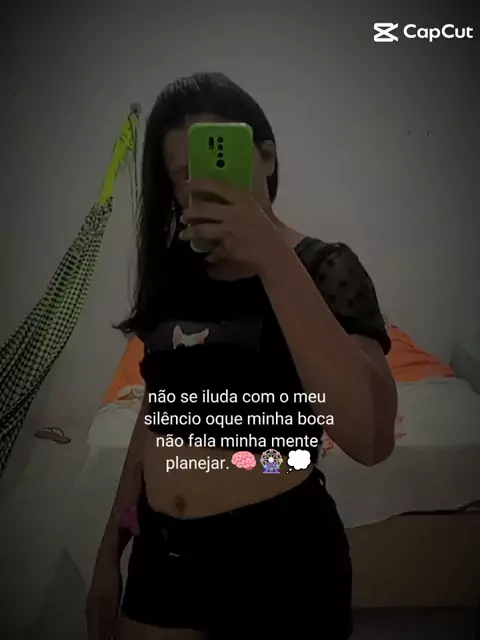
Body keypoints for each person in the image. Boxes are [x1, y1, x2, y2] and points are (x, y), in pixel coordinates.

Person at [85, 72, 397, 640]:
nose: (200, 184)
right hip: (162, 559)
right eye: (182, 175)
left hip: (279, 558)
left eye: (216, 161)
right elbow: (158, 416)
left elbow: (370, 439)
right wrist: (109, 552)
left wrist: (272, 259)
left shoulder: (327, 267)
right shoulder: (175, 274)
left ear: (267, 157)